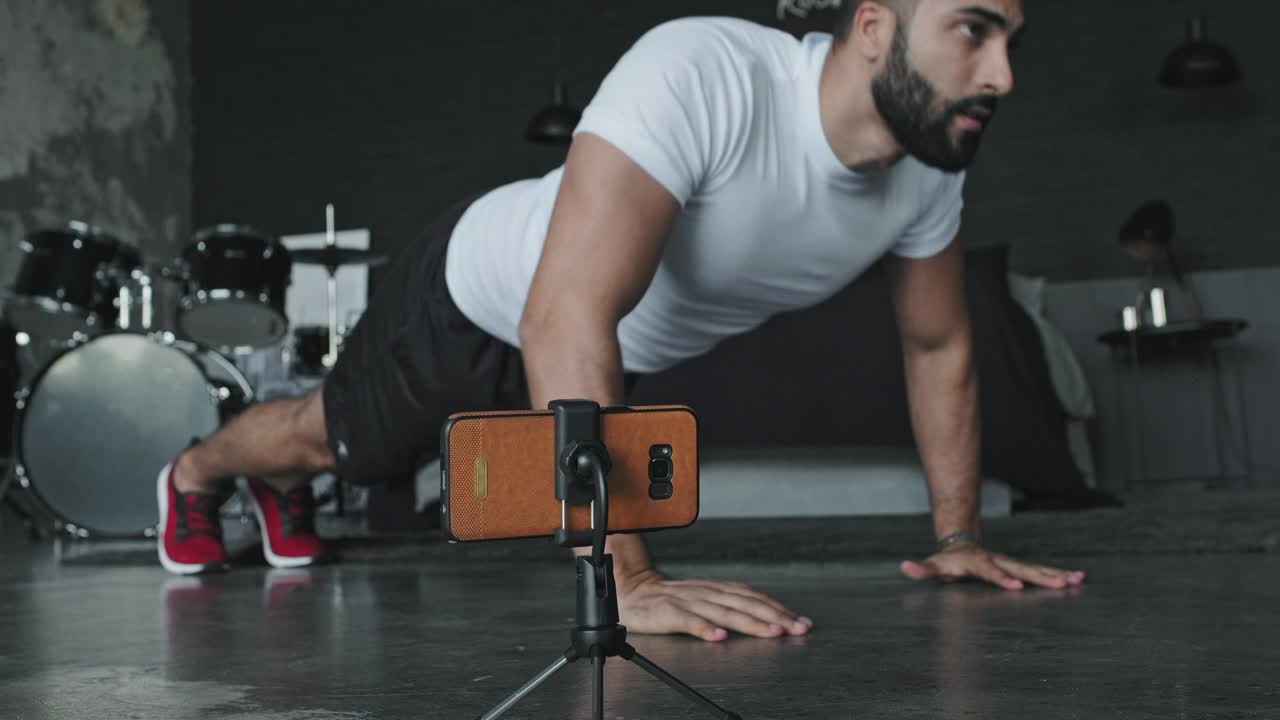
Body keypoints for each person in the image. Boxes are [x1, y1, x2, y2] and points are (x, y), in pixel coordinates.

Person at [157, 0, 1086, 642]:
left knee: (361, 458)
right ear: (876, 28)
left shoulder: (926, 174)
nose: (1002, 75)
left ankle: (275, 493)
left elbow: (939, 346)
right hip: (477, 300)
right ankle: (195, 473)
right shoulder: (709, 73)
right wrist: (626, 583)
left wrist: (957, 539)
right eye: (973, 30)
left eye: (1013, 40)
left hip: (592, 355)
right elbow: (563, 309)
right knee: (330, 440)